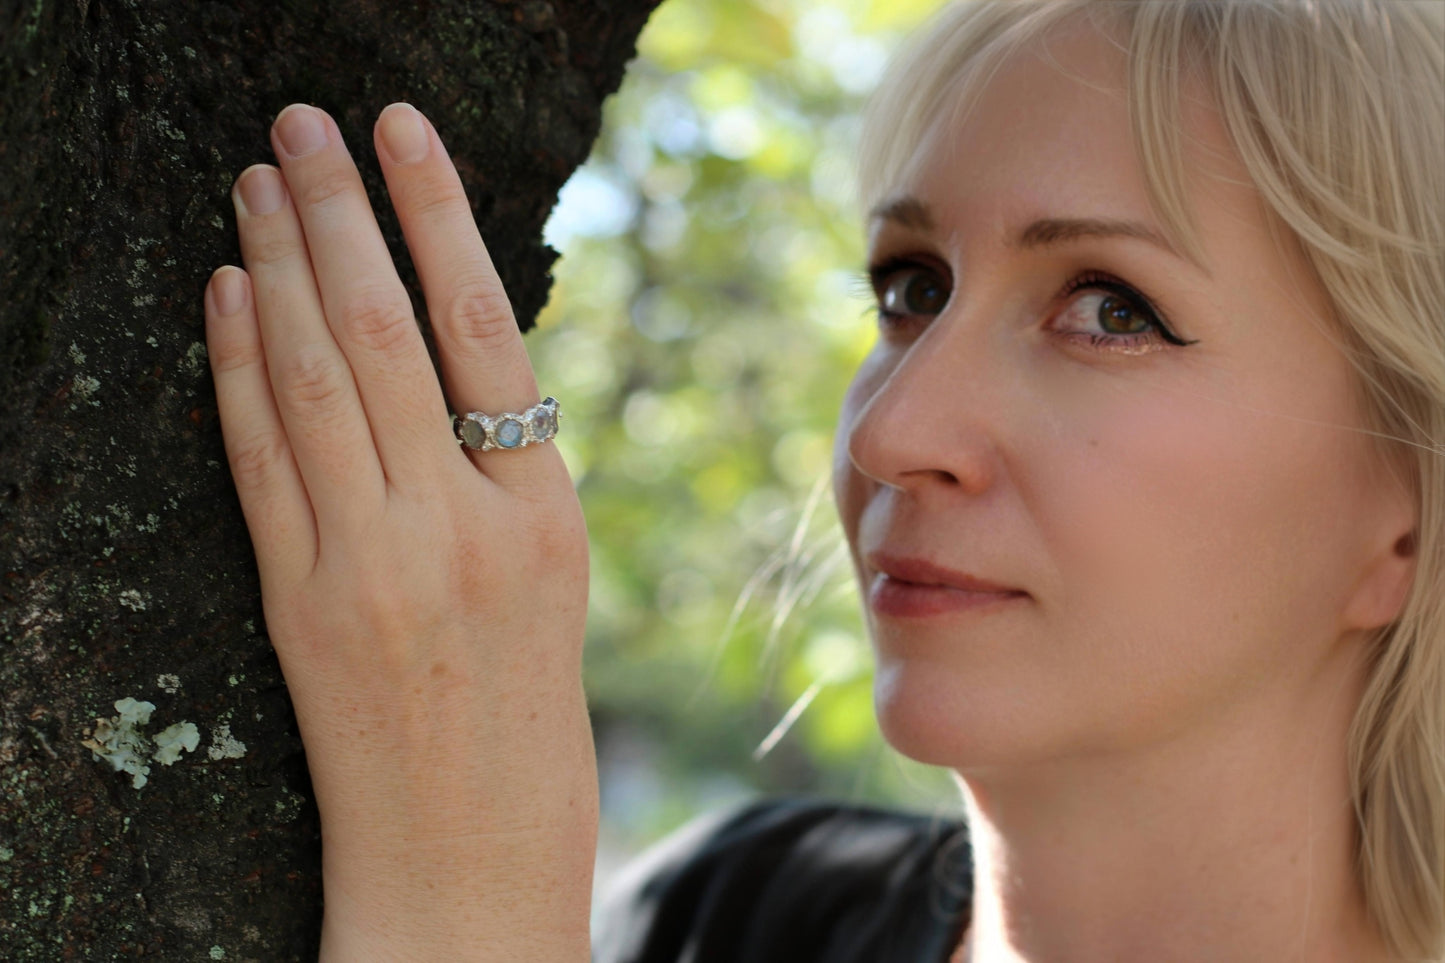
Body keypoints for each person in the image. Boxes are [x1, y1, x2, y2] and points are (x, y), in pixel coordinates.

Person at [201, 0, 1444, 959]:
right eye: (911, 288)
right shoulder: (727, 914)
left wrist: (463, 896)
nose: (890, 430)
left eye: (1112, 309)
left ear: (1401, 515)